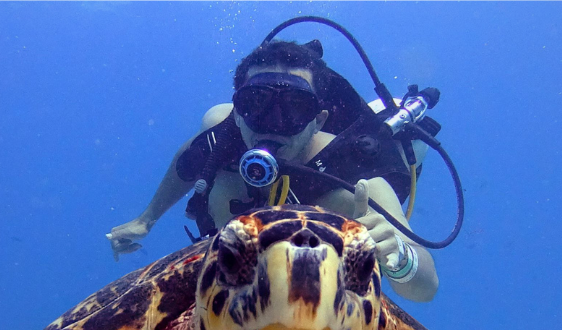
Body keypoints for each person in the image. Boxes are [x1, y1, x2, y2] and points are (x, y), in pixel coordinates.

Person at [106, 39, 439, 302]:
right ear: (238, 112)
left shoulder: (357, 184)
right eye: (256, 104)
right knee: (214, 133)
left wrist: (398, 257)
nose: (273, 124)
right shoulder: (222, 137)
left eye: (295, 107)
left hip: (317, 305)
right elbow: (186, 163)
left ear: (318, 119)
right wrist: (146, 219)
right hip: (239, 300)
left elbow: (426, 288)